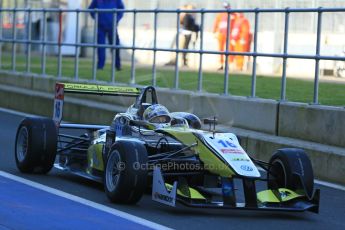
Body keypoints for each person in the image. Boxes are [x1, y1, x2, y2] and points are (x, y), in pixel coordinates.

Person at [88, 0, 124, 70]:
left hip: (112, 26)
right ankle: (100, 66)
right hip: (100, 26)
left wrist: (116, 19)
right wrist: (96, 18)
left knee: (115, 46)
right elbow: (91, 9)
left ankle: (117, 65)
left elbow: (121, 9)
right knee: (100, 46)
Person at [213, 2, 237, 70]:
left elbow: (236, 24)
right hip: (221, 34)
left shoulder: (233, 14)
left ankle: (229, 64)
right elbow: (216, 23)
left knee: (229, 49)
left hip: (229, 34)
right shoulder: (220, 15)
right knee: (220, 49)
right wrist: (214, 32)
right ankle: (221, 64)